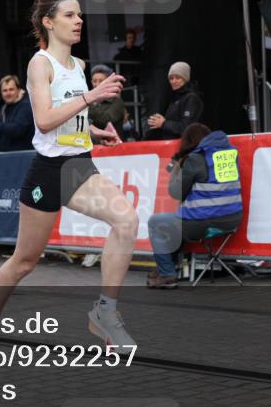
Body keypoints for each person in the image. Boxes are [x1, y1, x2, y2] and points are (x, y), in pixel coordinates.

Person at [0, 0, 137, 355]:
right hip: (48, 171)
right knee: (24, 262)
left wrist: (93, 131)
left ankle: (105, 312)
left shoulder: (78, 65)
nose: (78, 21)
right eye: (69, 15)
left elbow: (70, 118)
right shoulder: (40, 64)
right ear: (48, 22)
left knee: (126, 221)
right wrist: (92, 97)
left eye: (79, 15)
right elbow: (45, 120)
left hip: (78, 165)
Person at [146, 123, 244, 289]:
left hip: (202, 223)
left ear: (188, 142)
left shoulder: (195, 159)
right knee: (177, 221)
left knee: (156, 222)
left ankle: (167, 274)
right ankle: (167, 268)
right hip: (232, 221)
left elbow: (175, 193)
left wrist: (178, 166)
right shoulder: (230, 155)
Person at [143, 62, 204, 140]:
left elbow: (187, 128)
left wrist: (163, 123)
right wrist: (156, 124)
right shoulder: (175, 97)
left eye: (177, 78)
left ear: (185, 79)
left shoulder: (191, 98)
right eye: (171, 78)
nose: (173, 81)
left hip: (186, 146)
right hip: (172, 144)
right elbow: (171, 128)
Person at [87, 65, 127, 132]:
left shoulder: (116, 101)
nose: (97, 84)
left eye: (101, 81)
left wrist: (91, 103)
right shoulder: (88, 99)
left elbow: (107, 121)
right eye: (94, 81)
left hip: (111, 138)